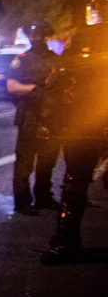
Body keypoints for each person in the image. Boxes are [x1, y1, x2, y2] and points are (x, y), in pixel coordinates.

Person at [37, 22, 108, 265]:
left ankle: (66, 242)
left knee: (74, 183)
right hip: (83, 128)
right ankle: (66, 241)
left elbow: (52, 97)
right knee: (74, 184)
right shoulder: (74, 61)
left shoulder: (72, 60)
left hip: (82, 128)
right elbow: (54, 96)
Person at [7, 19, 59, 215]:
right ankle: (22, 201)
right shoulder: (22, 59)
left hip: (52, 115)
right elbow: (11, 86)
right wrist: (33, 89)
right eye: (32, 35)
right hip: (30, 114)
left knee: (48, 159)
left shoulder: (55, 58)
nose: (35, 38)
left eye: (39, 35)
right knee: (25, 160)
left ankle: (43, 196)